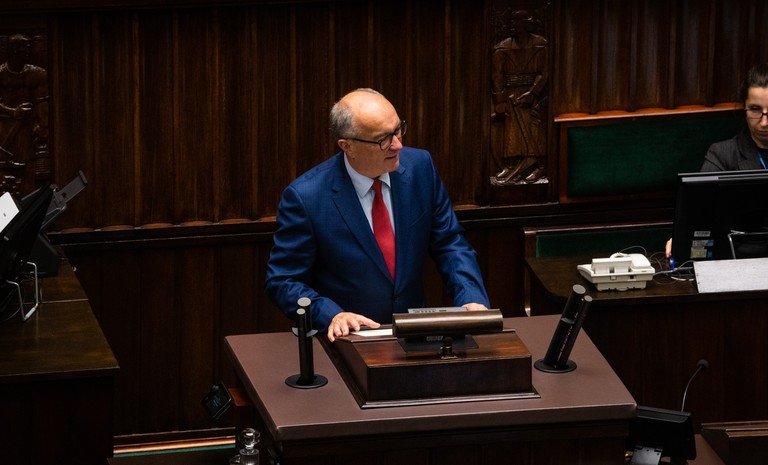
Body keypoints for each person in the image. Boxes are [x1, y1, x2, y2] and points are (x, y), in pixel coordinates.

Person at [265, 88, 490, 342]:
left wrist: (471, 297)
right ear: (347, 146)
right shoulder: (307, 197)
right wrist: (331, 315)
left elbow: (450, 243)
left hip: (415, 338)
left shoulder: (420, 168)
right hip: (348, 342)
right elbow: (282, 280)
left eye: (397, 130)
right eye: (383, 139)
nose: (398, 145)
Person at [666, 62, 768, 257]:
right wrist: (682, 237)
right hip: (740, 257)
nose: (764, 122)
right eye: (755, 109)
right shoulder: (722, 154)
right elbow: (699, 214)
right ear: (744, 108)